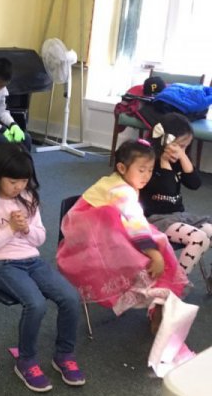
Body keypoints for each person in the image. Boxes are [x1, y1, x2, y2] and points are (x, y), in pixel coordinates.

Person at [0, 144, 85, 393]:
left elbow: (39, 239)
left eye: (23, 181)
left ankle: (64, 354)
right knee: (36, 304)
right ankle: (26, 360)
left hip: (32, 260)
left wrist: (25, 229)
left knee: (70, 297)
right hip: (2, 264)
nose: (19, 187)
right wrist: (10, 229)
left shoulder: (28, 198)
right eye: (13, 181)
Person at [57, 139, 189, 331]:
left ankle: (156, 298)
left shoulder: (117, 181)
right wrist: (154, 254)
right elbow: (135, 223)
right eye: (141, 170)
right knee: (151, 249)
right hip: (89, 235)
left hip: (99, 227)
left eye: (150, 170)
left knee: (154, 240)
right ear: (121, 168)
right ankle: (152, 296)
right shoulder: (121, 190)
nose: (147, 176)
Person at [141, 113, 212, 287]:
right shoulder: (149, 162)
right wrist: (164, 162)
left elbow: (195, 184)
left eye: (185, 147)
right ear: (165, 142)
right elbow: (167, 188)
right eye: (179, 146)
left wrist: (183, 156)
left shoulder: (179, 160)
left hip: (178, 216)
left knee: (210, 231)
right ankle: (172, 287)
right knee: (199, 238)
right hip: (155, 219)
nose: (181, 151)